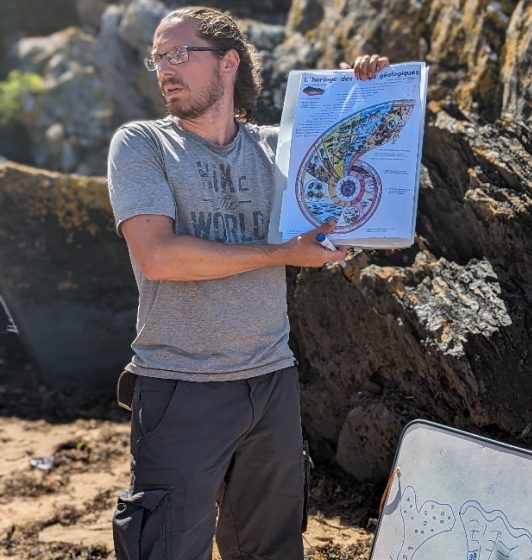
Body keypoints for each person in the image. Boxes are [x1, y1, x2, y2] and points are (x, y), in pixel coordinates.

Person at [106, 6, 389, 560]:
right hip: (180, 385)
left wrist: (368, 88)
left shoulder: (276, 149)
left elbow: (358, 158)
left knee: (272, 548)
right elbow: (159, 257)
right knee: (163, 548)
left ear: (229, 62)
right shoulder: (142, 145)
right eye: (159, 56)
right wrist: (281, 253)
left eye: (180, 53)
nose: (165, 68)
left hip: (272, 383)